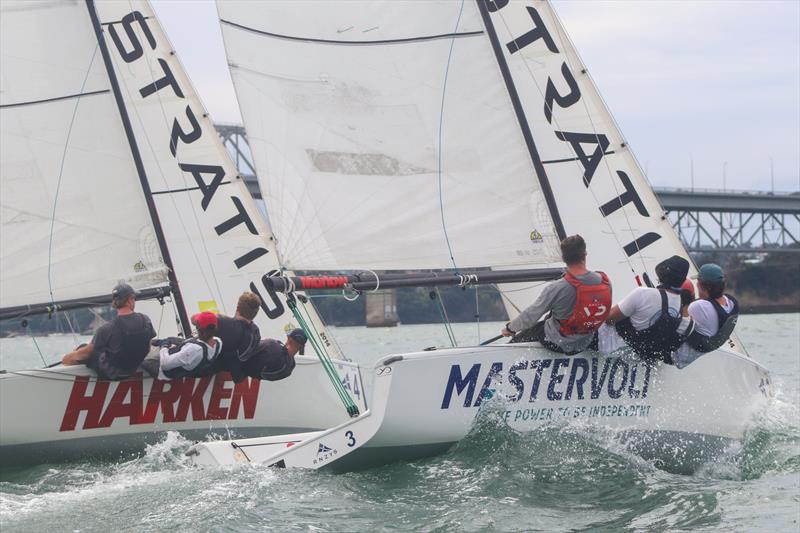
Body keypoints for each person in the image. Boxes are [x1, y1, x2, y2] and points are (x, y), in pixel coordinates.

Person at [501, 235, 611, 355]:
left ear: (563, 258)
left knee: (532, 330)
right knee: (555, 315)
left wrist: (510, 328)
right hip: (587, 340)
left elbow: (531, 315)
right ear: (585, 254)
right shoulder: (605, 281)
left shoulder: (557, 287)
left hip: (558, 342)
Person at [602, 255, 692, 364]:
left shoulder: (643, 293)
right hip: (640, 359)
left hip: (610, 349)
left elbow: (609, 319)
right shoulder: (679, 305)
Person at [62, 283, 156, 379]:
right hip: (134, 367)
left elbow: (86, 354)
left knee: (83, 350)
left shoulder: (106, 329)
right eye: (134, 298)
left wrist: (67, 358)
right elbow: (147, 348)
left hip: (113, 374)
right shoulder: (145, 320)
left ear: (115, 302)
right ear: (129, 300)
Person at [672, 264, 739, 368]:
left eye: (698, 282)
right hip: (695, 356)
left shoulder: (700, 307)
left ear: (701, 286)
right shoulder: (731, 303)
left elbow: (675, 318)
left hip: (676, 356)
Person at [157, 311, 223, 380]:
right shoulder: (218, 342)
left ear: (201, 330)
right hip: (187, 359)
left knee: (151, 349)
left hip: (161, 368)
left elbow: (165, 365)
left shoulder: (195, 349)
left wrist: (164, 347)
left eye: (197, 326)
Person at [214, 292, 262, 382]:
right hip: (237, 373)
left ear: (237, 308)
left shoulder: (224, 323)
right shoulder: (256, 333)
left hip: (212, 369)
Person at [239, 328, 307, 381]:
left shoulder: (273, 346)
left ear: (288, 338)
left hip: (237, 364)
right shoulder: (289, 368)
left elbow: (248, 349)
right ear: (301, 347)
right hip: (242, 374)